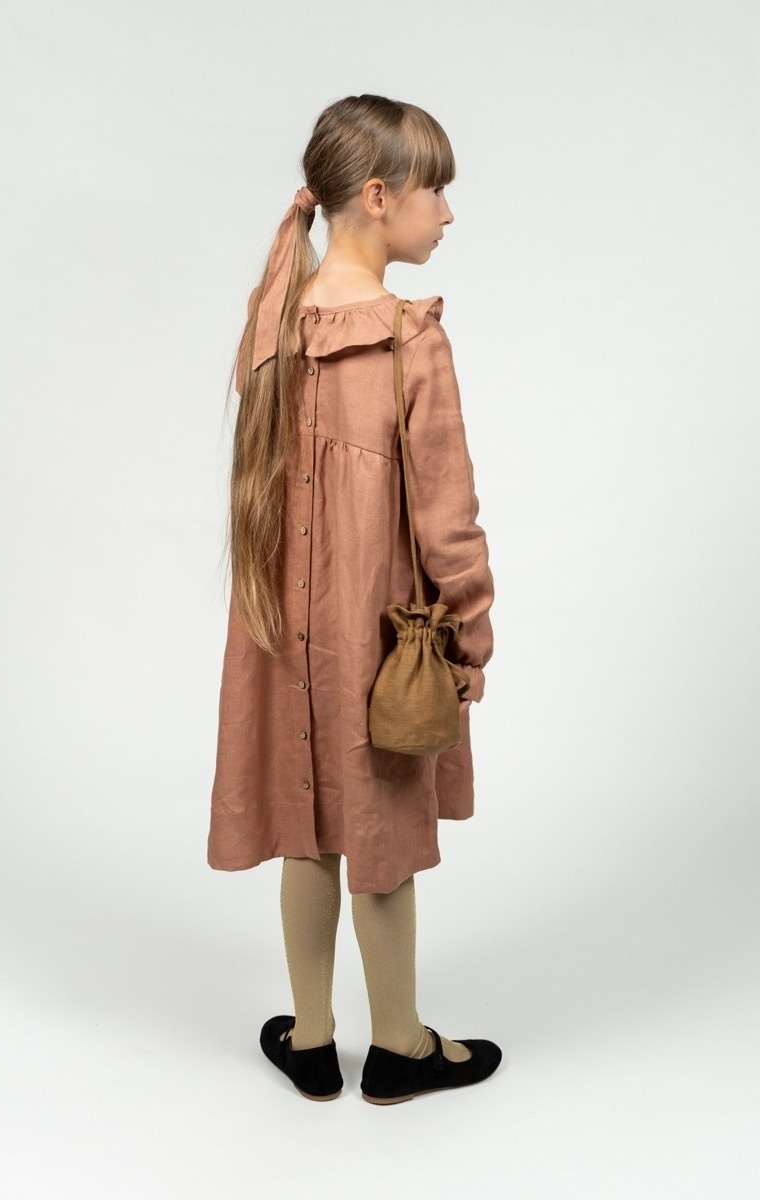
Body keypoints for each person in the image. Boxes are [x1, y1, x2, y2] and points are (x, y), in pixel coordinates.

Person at [208, 94, 501, 1104]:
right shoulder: (410, 340)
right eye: (435, 192)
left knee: (306, 820)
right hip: (377, 639)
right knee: (379, 829)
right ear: (377, 197)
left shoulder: (273, 320)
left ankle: (309, 1036)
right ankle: (400, 1045)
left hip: (279, 633)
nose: (447, 214)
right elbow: (448, 520)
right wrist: (470, 638)